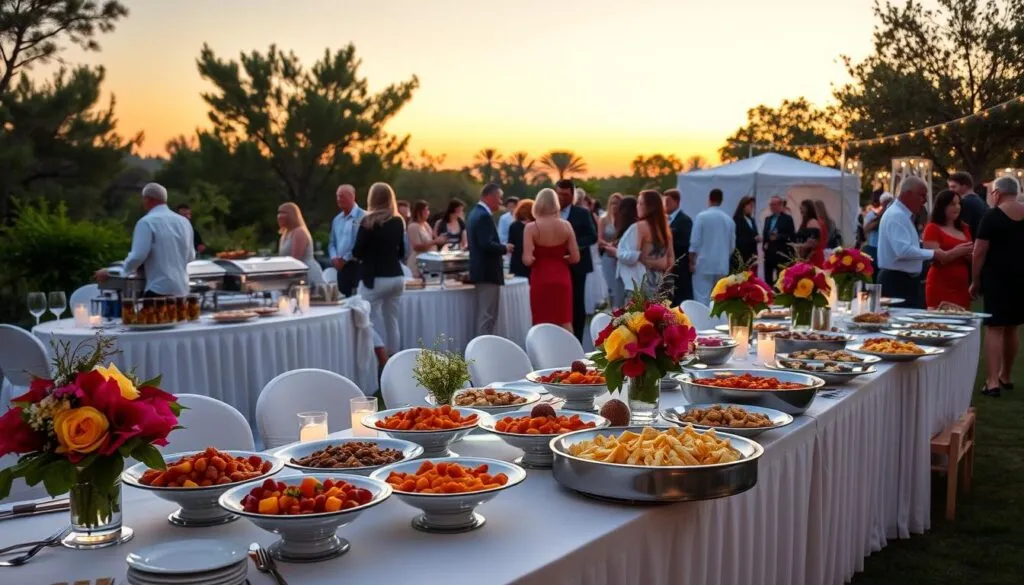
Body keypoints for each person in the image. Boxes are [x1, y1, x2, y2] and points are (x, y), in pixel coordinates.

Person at [878, 177, 971, 308]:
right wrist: (934, 253)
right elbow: (903, 250)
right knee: (900, 323)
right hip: (897, 280)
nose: (925, 200)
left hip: (904, 279)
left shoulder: (902, 215)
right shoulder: (897, 215)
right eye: (922, 195)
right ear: (907, 194)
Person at [971, 177, 1024, 397]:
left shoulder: (992, 216)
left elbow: (979, 252)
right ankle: (1006, 375)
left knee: (994, 328)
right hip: (1022, 278)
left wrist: (975, 281)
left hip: (997, 278)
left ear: (997, 193)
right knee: (1012, 326)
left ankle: (992, 381)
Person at [94, 183, 194, 296]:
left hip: (158, 289)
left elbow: (138, 256)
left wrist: (115, 272)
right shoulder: (184, 222)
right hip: (183, 289)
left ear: (147, 199)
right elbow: (190, 256)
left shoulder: (146, 222)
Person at [352, 183, 406, 357]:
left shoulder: (368, 222)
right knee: (392, 321)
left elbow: (357, 252)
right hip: (396, 276)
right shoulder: (398, 221)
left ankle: (380, 358)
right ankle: (394, 360)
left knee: (367, 319)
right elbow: (402, 252)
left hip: (374, 277)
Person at [523, 189, 580, 330]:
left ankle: (541, 351)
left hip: (540, 277)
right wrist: (559, 259)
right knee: (565, 320)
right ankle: (570, 350)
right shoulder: (566, 225)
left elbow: (527, 260)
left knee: (540, 321)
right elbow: (575, 258)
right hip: (562, 276)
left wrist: (540, 259)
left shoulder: (531, 228)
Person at [468, 183, 514, 336]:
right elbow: (486, 244)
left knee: (486, 315)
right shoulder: (483, 216)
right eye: (499, 198)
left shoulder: (475, 213)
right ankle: (482, 352)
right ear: (490, 197)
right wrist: (504, 248)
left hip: (482, 271)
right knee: (487, 316)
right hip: (488, 272)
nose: (501, 202)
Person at [555, 179, 597, 342]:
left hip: (578, 265)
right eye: (559, 194)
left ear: (572, 195)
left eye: (565, 195)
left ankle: (577, 340)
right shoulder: (550, 212)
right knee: (559, 304)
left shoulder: (582, 213)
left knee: (577, 303)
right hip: (557, 265)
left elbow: (592, 236)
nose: (562, 198)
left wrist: (574, 246)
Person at [922, 190, 972, 309]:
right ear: (942, 206)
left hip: (961, 285)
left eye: (959, 203)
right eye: (952, 204)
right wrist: (959, 251)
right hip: (940, 283)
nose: (957, 207)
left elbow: (972, 255)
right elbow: (938, 258)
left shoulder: (964, 228)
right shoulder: (932, 228)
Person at [689, 189, 735, 306]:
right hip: (722, 264)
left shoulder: (702, 217)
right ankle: (718, 322)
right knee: (719, 298)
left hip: (703, 263)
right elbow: (732, 246)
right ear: (721, 200)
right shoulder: (728, 220)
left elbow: (695, 242)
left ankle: (702, 322)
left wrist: (691, 262)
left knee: (701, 297)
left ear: (709, 199)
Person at [601, 196, 639, 309]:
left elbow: (635, 254)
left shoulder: (634, 228)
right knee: (615, 294)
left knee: (623, 301)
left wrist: (616, 252)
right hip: (617, 266)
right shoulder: (606, 220)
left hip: (629, 273)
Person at [328, 184, 366, 296]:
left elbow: (359, 242)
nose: (339, 199)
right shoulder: (337, 219)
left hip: (356, 265)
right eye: (337, 196)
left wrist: (345, 259)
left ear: (352, 197)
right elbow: (332, 242)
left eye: (342, 196)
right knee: (344, 299)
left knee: (358, 299)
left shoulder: (363, 216)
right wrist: (334, 258)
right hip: (340, 268)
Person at [277, 202, 325, 286]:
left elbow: (296, 260)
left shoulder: (299, 232)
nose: (279, 216)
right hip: (294, 276)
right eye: (279, 213)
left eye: (283, 213)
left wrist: (282, 275)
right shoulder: (285, 234)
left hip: (307, 275)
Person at [637, 190, 673, 293]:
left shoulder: (641, 226)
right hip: (660, 278)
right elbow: (670, 257)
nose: (637, 206)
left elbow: (635, 255)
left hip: (646, 279)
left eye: (641, 203)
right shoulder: (665, 227)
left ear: (650, 206)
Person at [662, 189, 693, 306]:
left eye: (668, 201)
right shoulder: (664, 220)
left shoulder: (684, 220)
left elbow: (685, 243)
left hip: (680, 267)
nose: (665, 204)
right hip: (667, 267)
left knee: (681, 300)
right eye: (664, 201)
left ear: (677, 202)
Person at [406, 200, 447, 278]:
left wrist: (441, 239)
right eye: (426, 210)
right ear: (419, 212)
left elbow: (431, 240)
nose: (428, 212)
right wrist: (435, 241)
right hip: (417, 265)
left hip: (428, 264)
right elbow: (417, 247)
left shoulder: (425, 225)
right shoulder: (413, 226)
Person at [762, 195, 795, 285]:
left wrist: (779, 236)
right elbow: (765, 234)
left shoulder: (787, 219)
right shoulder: (768, 219)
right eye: (771, 205)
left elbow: (791, 236)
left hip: (781, 253)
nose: (772, 207)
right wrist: (764, 245)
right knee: (768, 278)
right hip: (769, 254)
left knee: (781, 279)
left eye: (774, 204)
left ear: (780, 205)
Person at [598, 194, 624, 306]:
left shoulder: (624, 220)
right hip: (608, 256)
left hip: (621, 256)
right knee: (611, 286)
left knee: (621, 286)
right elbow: (599, 239)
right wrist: (609, 245)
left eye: (617, 203)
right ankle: (613, 310)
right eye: (613, 203)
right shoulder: (604, 219)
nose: (615, 206)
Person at [949, 171, 988, 240]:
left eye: (953, 187)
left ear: (964, 187)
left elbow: (961, 228)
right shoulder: (980, 200)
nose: (950, 190)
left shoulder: (964, 202)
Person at [862, 192, 893, 275]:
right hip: (876, 250)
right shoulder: (875, 215)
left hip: (877, 250)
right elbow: (866, 230)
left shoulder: (874, 216)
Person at [793, 199, 826, 266]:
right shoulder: (806, 222)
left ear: (809, 209)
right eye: (801, 208)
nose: (801, 211)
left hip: (813, 257)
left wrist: (797, 246)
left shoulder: (812, 222)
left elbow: (812, 243)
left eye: (803, 208)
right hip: (809, 256)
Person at [732, 195, 759, 271]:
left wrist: (757, 238)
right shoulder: (737, 220)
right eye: (750, 206)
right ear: (744, 206)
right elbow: (738, 239)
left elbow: (754, 233)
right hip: (742, 255)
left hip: (752, 255)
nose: (752, 208)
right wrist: (753, 239)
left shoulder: (751, 220)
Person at [508, 199, 534, 278]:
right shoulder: (535, 226)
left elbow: (511, 244)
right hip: (531, 262)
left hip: (516, 262)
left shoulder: (513, 225)